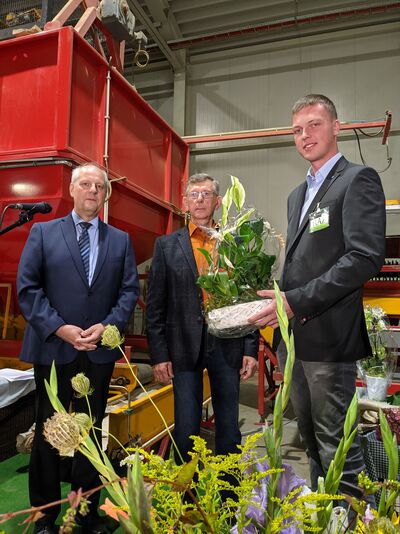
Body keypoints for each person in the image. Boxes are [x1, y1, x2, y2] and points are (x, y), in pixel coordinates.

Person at [249, 94, 386, 499]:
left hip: (328, 337)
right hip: (294, 339)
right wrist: (278, 299)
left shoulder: (357, 179)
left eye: (314, 124)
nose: (305, 135)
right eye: (297, 129)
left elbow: (364, 257)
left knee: (337, 445)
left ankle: (346, 513)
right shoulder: (297, 195)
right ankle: (323, 513)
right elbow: (301, 264)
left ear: (336, 127)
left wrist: (296, 300)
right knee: (309, 439)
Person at [17, 163, 139, 534]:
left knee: (90, 434)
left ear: (105, 195)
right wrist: (61, 328)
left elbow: (129, 291)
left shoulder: (120, 240)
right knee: (48, 433)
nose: (92, 191)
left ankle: (85, 512)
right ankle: (45, 517)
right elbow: (28, 287)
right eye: (85, 184)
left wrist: (107, 326)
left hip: (98, 350)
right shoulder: (42, 232)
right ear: (71, 190)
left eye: (99, 186)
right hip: (55, 348)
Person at [146, 173, 258, 463]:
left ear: (218, 201)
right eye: (194, 194)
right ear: (185, 202)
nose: (199, 200)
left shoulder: (235, 243)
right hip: (183, 346)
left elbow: (249, 301)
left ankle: (229, 498)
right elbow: (155, 305)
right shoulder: (167, 246)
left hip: (227, 344)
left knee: (229, 428)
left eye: (206, 194)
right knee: (185, 428)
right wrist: (159, 355)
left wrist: (250, 349)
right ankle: (187, 499)